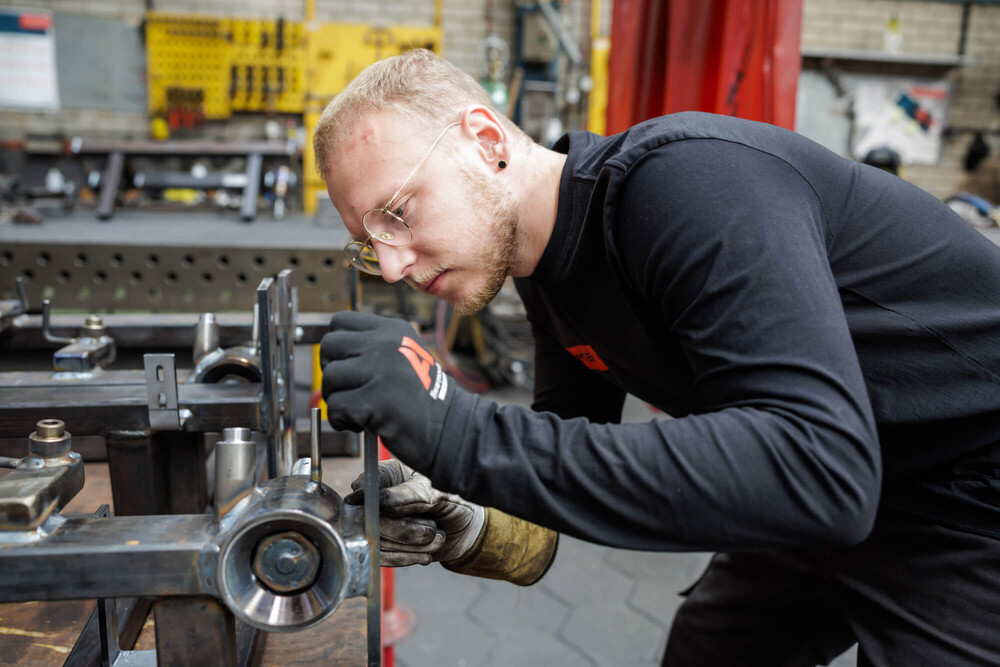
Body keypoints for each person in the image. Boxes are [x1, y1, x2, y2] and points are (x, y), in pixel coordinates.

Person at [313, 49, 1000, 665]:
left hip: (966, 481)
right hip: (842, 471)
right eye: (371, 244)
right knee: (711, 649)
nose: (393, 266)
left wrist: (457, 430)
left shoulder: (685, 184)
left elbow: (822, 471)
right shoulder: (546, 273)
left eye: (398, 211)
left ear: (486, 140)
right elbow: (557, 454)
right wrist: (471, 515)